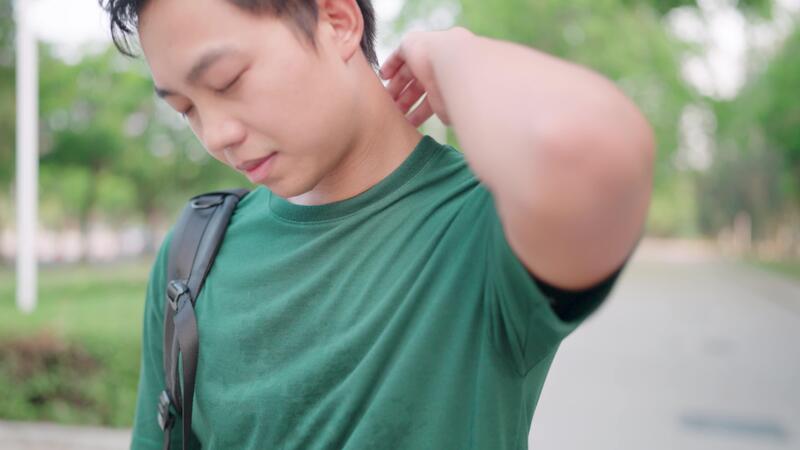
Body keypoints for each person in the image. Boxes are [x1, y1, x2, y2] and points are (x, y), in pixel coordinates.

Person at [100, 0, 655, 448]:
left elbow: (582, 146)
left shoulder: (480, 228)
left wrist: (453, 53)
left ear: (338, 20)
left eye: (228, 80)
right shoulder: (196, 255)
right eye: (186, 109)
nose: (216, 134)